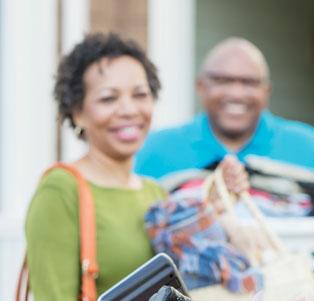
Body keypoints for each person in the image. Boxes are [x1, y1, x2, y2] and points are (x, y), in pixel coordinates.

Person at [24, 33, 248, 300]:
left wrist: (214, 210)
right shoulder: (60, 190)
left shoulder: (156, 193)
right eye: (109, 98)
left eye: (140, 95)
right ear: (77, 112)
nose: (129, 109)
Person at [135, 37, 314, 228]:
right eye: (223, 80)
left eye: (249, 83)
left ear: (266, 91)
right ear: (201, 86)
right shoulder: (156, 149)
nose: (236, 93)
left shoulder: (307, 145)